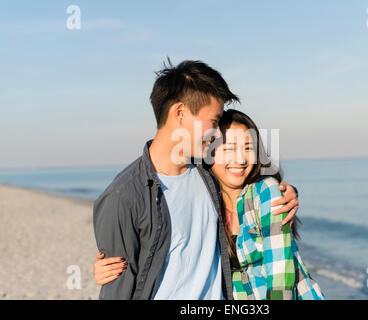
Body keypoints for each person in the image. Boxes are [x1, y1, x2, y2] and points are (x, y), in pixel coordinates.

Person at [93, 59, 300, 300]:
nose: (216, 133)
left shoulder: (207, 172)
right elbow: (117, 287)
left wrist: (287, 191)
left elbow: (245, 184)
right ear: (180, 113)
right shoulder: (124, 196)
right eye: (213, 121)